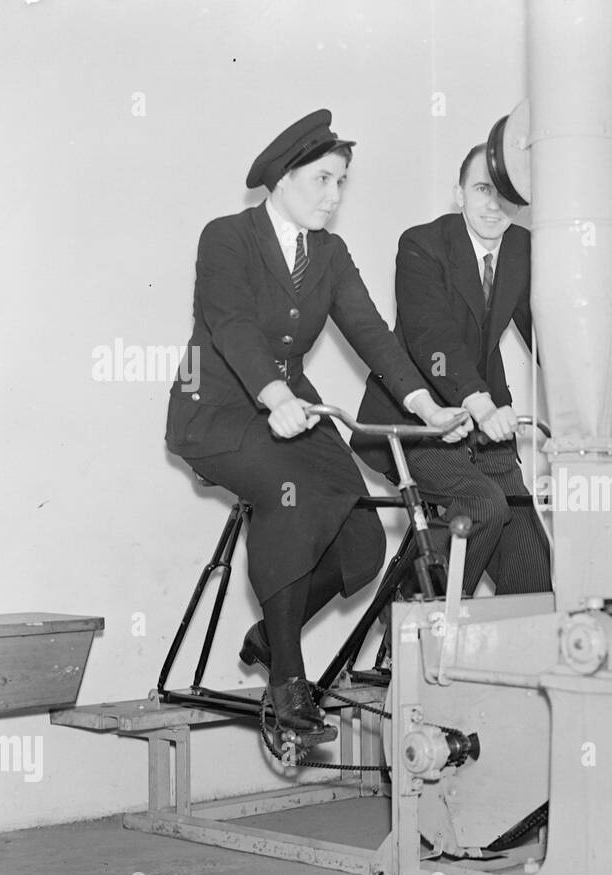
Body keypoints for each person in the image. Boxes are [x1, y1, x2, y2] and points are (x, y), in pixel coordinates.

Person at [165, 110, 471, 737]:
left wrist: (425, 403)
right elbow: (233, 327)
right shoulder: (227, 236)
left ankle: (269, 634)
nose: (334, 198)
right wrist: (274, 393)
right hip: (219, 407)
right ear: (280, 179)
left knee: (363, 544)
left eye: (341, 184)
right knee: (295, 495)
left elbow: (371, 333)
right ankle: (288, 682)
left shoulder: (328, 253)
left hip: (292, 406)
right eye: (322, 181)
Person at [353, 144, 612, 597]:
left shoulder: (521, 248)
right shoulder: (422, 245)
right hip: (417, 421)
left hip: (486, 426)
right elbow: (433, 340)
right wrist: (479, 401)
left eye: (507, 194)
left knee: (533, 573)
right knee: (482, 507)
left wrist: (597, 416)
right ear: (460, 193)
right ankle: (414, 628)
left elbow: (548, 339)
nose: (493, 205)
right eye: (482, 189)